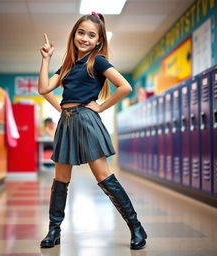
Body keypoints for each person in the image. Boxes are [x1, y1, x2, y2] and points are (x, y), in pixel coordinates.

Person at [38, 12, 147, 250]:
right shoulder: (67, 65)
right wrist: (46, 58)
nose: (84, 38)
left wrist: (100, 106)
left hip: (87, 121)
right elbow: (44, 88)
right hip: (66, 123)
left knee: (103, 176)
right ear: (73, 34)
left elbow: (125, 86)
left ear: (98, 40)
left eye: (91, 35)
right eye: (81, 32)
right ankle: (54, 230)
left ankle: (136, 227)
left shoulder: (97, 61)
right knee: (60, 179)